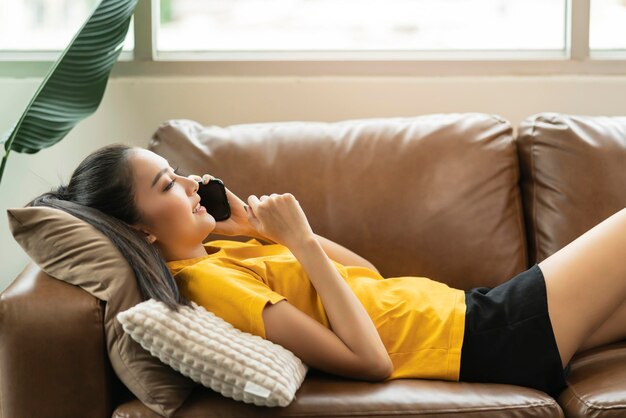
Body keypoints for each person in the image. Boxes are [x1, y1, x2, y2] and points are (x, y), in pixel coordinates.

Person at [27, 143, 626, 399]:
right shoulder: (206, 285)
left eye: (177, 171)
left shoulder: (221, 256)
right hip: (487, 338)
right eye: (166, 184)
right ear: (141, 231)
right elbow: (370, 363)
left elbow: (366, 274)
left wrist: (267, 233)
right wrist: (297, 240)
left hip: (474, 314)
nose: (189, 183)